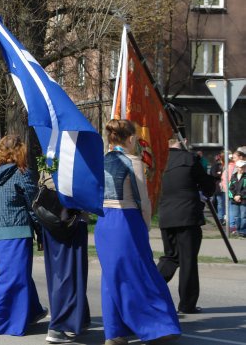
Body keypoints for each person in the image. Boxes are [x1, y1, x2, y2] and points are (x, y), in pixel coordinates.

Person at [95, 119, 180, 345]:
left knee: (110, 277)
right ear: (131, 139)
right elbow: (143, 202)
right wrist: (146, 226)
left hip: (104, 223)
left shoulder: (100, 161)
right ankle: (156, 327)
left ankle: (114, 333)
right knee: (142, 274)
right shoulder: (134, 162)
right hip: (126, 220)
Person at [0, 134, 46, 336]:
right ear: (20, 151)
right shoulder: (22, 174)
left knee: (17, 275)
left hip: (1, 234)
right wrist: (41, 233)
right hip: (18, 233)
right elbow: (33, 207)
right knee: (12, 279)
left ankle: (33, 311)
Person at [157, 137, 215, 315]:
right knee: (187, 260)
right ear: (184, 140)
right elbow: (208, 188)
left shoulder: (158, 159)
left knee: (170, 257)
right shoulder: (190, 159)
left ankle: (148, 288)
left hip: (166, 215)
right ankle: (187, 304)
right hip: (187, 216)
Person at [41, 172, 90, 344]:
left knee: (66, 273)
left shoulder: (51, 151)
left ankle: (79, 318)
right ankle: (58, 326)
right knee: (67, 273)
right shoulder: (66, 154)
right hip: (67, 219)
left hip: (52, 217)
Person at [228, 160, 246, 238]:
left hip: (244, 199)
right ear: (237, 167)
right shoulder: (233, 176)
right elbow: (230, 188)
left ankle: (243, 231)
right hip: (234, 200)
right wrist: (234, 196)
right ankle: (238, 230)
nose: (241, 169)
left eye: (243, 167)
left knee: (243, 216)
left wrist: (240, 195)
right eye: (240, 167)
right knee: (236, 216)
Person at [210, 153, 226, 225]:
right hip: (218, 187)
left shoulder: (224, 165)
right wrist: (221, 174)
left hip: (222, 186)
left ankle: (222, 217)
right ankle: (220, 218)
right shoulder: (216, 166)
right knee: (219, 203)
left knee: (221, 203)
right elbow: (214, 174)